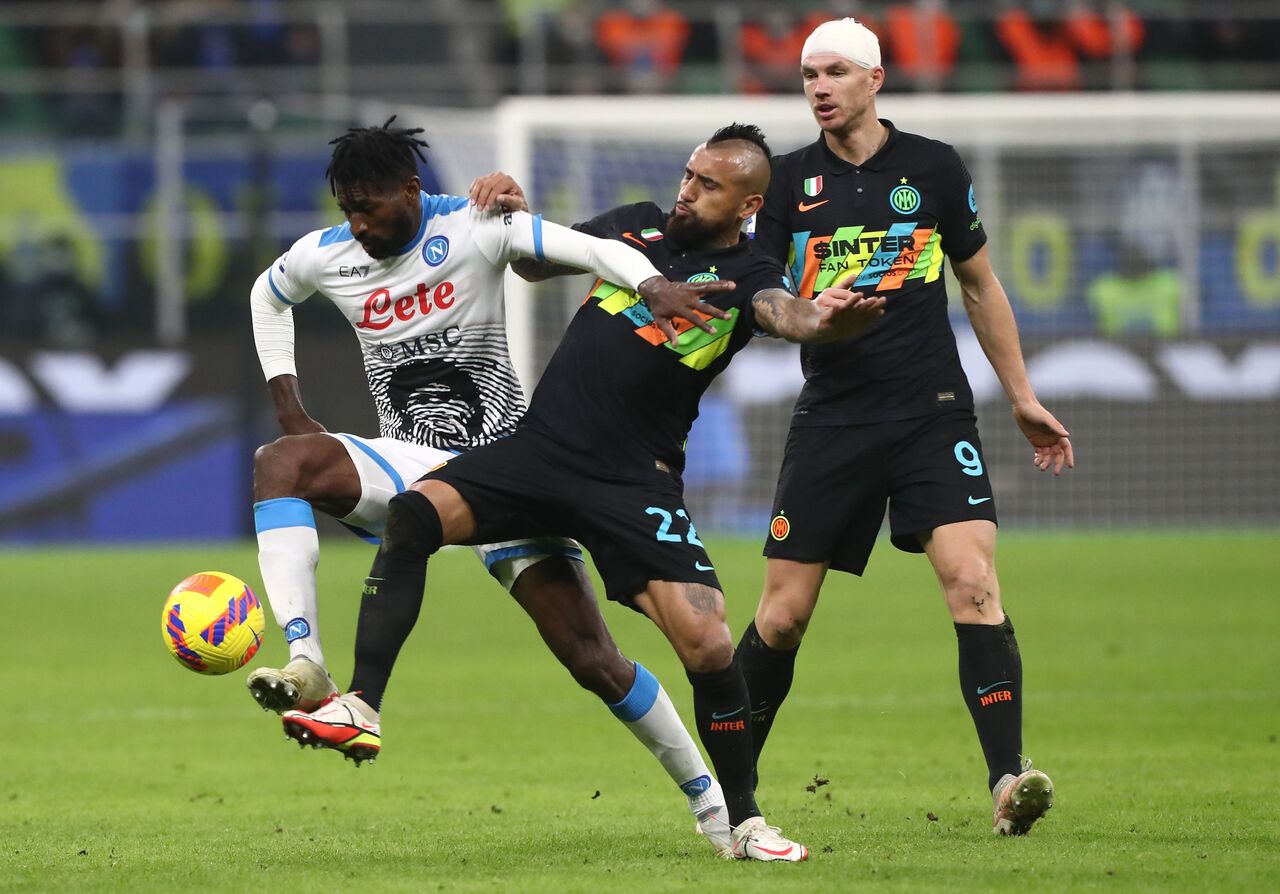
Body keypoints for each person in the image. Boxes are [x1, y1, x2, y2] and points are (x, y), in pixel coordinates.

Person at [282, 123, 887, 861]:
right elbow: (536, 261)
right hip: (538, 452)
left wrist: (823, 320)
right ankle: (363, 705)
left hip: (634, 479)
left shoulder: (750, 271)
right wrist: (509, 209)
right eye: (688, 174)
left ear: (748, 204)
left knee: (706, 641)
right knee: (413, 516)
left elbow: (784, 314)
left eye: (708, 186)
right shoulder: (635, 224)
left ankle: (744, 821)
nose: (687, 192)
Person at [736, 18, 1072, 837]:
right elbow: (761, 297)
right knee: (782, 617)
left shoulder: (933, 167)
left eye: (835, 72)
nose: (819, 88)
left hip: (932, 410)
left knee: (973, 582)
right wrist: (810, 316)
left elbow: (980, 285)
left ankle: (1007, 781)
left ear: (874, 79)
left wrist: (1021, 395)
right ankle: (729, 795)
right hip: (834, 417)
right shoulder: (787, 183)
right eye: (809, 75)